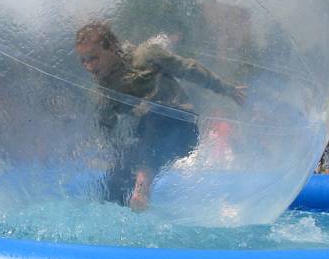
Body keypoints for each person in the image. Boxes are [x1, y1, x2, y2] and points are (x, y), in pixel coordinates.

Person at [75, 22, 246, 210]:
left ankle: (143, 184)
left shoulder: (146, 56)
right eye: (83, 61)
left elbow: (189, 69)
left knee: (152, 115)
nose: (88, 66)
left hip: (181, 127)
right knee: (114, 187)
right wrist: (120, 159)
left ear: (113, 48)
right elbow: (108, 129)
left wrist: (226, 89)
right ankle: (124, 209)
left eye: (93, 58)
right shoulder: (104, 93)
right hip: (146, 140)